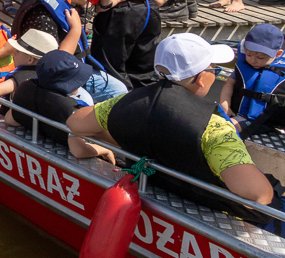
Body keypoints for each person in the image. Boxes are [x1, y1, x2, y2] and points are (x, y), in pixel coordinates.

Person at [67, 33, 277, 223]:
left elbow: (75, 123)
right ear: (201, 78)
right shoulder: (214, 127)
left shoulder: (124, 103)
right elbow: (259, 195)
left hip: (152, 185)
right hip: (206, 206)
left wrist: (119, 140)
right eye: (215, 69)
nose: (215, 75)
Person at [11, 0, 128, 102]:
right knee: (117, 91)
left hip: (71, 68)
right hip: (53, 76)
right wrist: (75, 29)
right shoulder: (42, 16)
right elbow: (56, 63)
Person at [7, 50, 98, 145]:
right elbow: (80, 147)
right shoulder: (76, 107)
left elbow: (10, 120)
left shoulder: (27, 91)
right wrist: (104, 150)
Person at [0, 28, 60, 104]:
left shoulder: (23, 75)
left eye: (18, 51)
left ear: (30, 59)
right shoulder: (45, 74)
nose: (14, 53)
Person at [221, 24, 285, 133]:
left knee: (228, 127)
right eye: (249, 54)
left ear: (278, 54)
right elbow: (229, 84)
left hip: (270, 120)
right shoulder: (244, 66)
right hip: (243, 117)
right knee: (222, 125)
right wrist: (225, 105)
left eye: (260, 57)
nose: (253, 60)